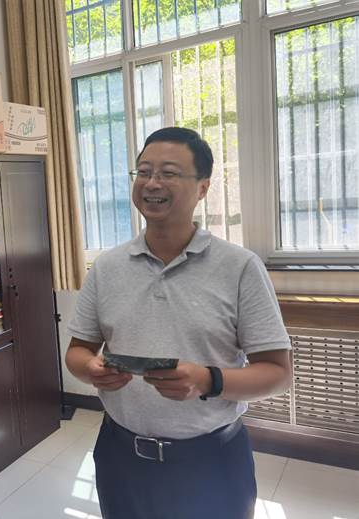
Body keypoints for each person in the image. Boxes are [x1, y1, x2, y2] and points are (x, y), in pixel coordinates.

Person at [65, 127, 292, 519]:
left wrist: (207, 380)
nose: (152, 183)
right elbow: (78, 351)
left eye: (168, 173)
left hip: (211, 463)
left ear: (203, 188)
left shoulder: (240, 267)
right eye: (143, 171)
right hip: (121, 458)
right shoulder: (107, 267)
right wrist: (91, 369)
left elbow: (278, 372)